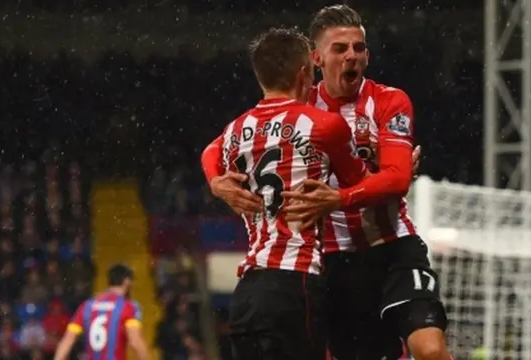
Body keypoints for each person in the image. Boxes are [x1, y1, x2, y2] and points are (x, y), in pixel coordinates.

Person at [202, 5, 452, 360]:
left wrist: (340, 198)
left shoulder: (389, 101)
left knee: (429, 349)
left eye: (359, 47)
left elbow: (397, 180)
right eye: (340, 48)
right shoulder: (300, 106)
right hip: (333, 261)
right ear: (316, 59)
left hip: (391, 246)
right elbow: (216, 145)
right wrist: (215, 181)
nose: (352, 56)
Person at [53, 264, 150, 360]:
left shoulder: (87, 306)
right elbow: (135, 341)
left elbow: (68, 340)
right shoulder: (128, 307)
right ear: (126, 281)